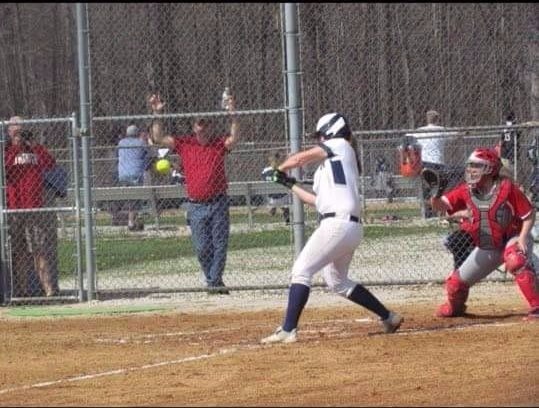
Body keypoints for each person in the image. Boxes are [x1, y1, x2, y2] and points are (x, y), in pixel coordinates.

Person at [260, 112, 403, 344]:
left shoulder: (341, 145)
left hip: (338, 224)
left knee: (301, 271)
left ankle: (288, 329)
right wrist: (284, 182)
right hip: (346, 226)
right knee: (337, 281)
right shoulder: (330, 166)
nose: (319, 140)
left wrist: (280, 168)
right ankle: (389, 316)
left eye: (320, 136)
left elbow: (299, 160)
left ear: (331, 131)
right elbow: (314, 200)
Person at [430, 147, 539, 320]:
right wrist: (435, 196)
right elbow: (441, 206)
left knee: (515, 258)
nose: (471, 170)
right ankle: (455, 308)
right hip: (489, 245)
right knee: (455, 285)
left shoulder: (507, 188)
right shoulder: (466, 190)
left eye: (476, 166)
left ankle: (536, 307)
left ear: (490, 169)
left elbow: (529, 215)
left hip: (513, 237)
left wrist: (524, 238)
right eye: (470, 166)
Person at [148, 92, 239, 294]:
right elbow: (157, 137)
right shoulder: (185, 144)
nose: (203, 128)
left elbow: (234, 138)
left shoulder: (218, 144)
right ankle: (213, 280)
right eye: (199, 124)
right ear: (194, 128)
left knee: (220, 245)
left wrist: (233, 114)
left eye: (206, 124)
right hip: (196, 204)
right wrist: (157, 113)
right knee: (202, 248)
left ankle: (214, 282)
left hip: (218, 202)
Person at [4, 116, 58, 297]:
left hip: (35, 206)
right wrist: (13, 146)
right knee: (19, 251)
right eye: (14, 127)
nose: (18, 130)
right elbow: (5, 169)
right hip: (15, 208)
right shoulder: (7, 150)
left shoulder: (35, 148)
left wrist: (32, 143)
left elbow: (50, 163)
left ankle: (49, 290)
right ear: (9, 130)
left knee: (39, 250)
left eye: (21, 127)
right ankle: (23, 292)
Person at [406, 110, 461, 218]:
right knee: (439, 188)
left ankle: (428, 213)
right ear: (437, 119)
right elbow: (455, 135)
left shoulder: (419, 131)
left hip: (424, 164)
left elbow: (407, 137)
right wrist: (463, 133)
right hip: (438, 164)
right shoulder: (441, 130)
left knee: (426, 189)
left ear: (427, 119)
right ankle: (438, 211)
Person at [117, 124, 151, 231]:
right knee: (136, 199)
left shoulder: (121, 142)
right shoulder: (141, 142)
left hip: (122, 174)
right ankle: (132, 222)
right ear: (137, 134)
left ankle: (132, 221)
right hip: (135, 174)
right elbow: (150, 155)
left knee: (131, 198)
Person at [266, 150, 290, 225]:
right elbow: (265, 179)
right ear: (270, 161)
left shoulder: (282, 169)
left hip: (282, 195)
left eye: (276, 161)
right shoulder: (267, 170)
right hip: (272, 196)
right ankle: (272, 212)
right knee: (271, 212)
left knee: (285, 208)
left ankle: (287, 220)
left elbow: (285, 178)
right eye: (273, 161)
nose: (275, 163)